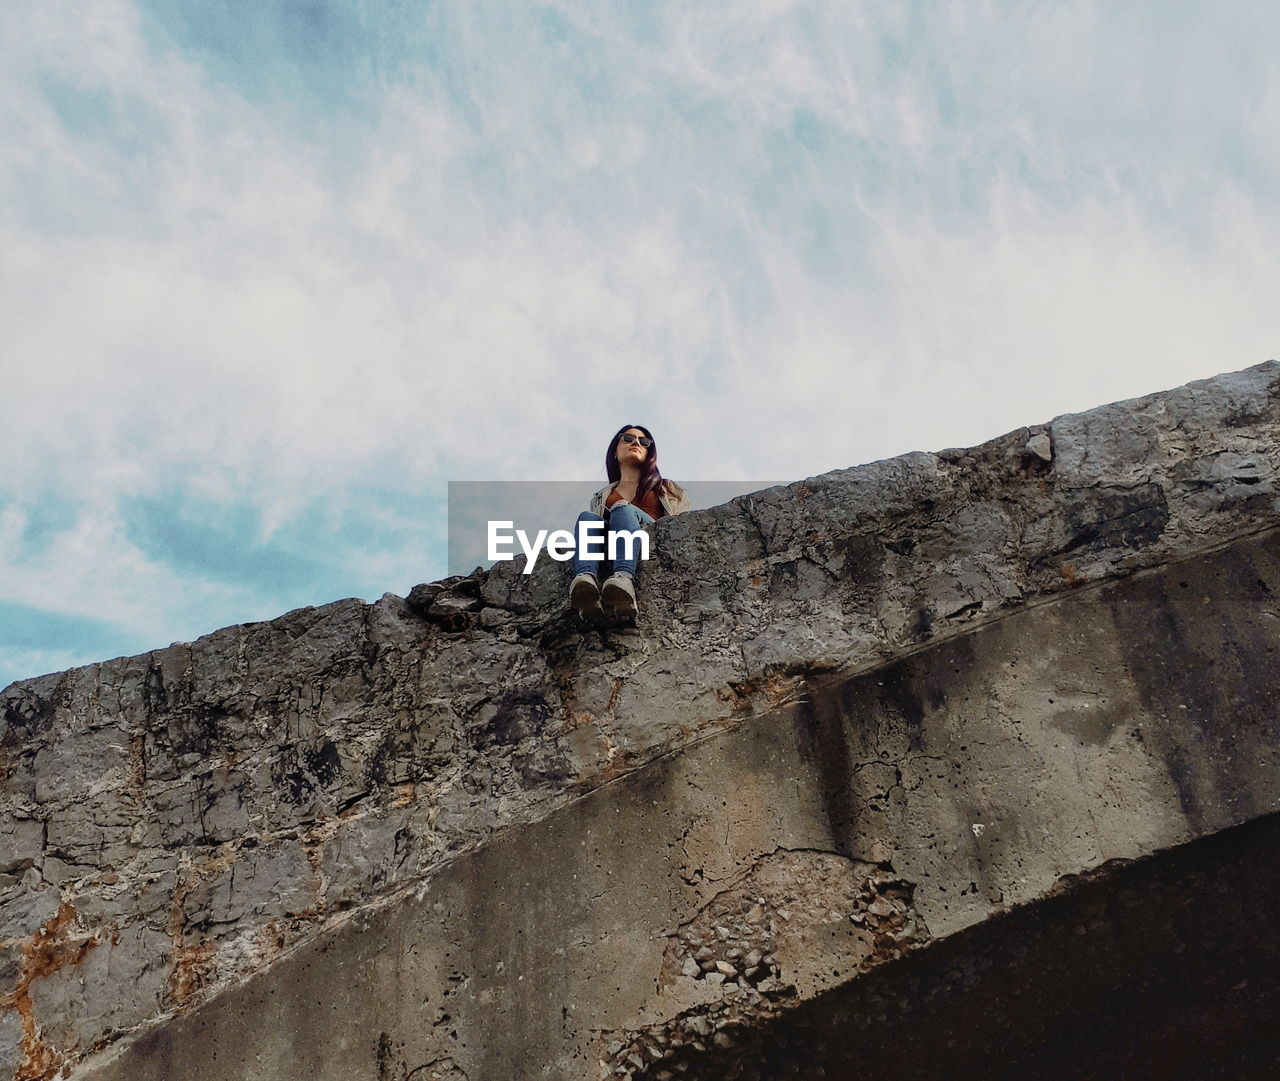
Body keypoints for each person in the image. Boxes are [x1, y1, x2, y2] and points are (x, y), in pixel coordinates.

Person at [568, 424, 689, 619]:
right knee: (587, 517)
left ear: (649, 453)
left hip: (649, 536)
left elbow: (682, 523)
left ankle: (624, 578)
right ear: (615, 451)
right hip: (616, 541)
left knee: (622, 508)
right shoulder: (600, 497)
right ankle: (585, 582)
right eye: (628, 438)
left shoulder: (668, 488)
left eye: (643, 442)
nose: (636, 443)